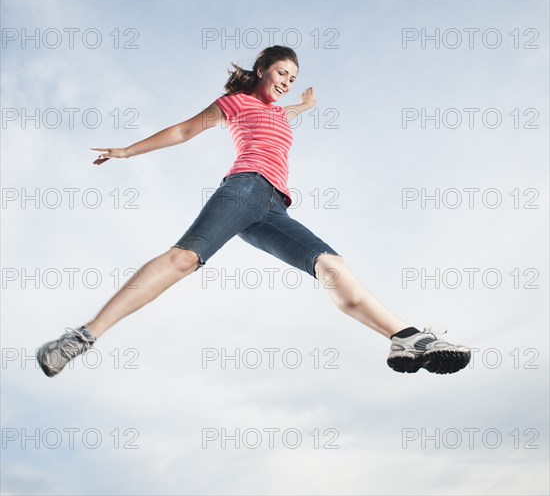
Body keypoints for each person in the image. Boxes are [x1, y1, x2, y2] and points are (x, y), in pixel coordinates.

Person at [36, 45, 471, 377]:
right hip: (244, 190)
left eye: (293, 76)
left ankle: (406, 338)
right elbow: (185, 129)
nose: (286, 80)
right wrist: (129, 150)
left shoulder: (280, 114)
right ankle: (81, 337)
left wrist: (305, 104)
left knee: (330, 266)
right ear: (262, 69)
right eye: (282, 72)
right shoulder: (235, 105)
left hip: (274, 210)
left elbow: (288, 110)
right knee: (184, 258)